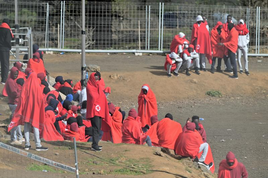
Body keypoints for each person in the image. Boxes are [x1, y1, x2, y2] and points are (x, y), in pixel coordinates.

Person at [8, 72, 48, 151]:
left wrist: (21, 108)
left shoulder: (25, 86)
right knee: (35, 125)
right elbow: (41, 99)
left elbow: (22, 98)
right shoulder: (37, 86)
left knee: (26, 126)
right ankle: (38, 145)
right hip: (35, 110)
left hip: (26, 110)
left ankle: (27, 144)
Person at [86, 72, 109, 152]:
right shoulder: (89, 86)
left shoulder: (98, 85)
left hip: (99, 110)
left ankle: (96, 143)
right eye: (95, 78)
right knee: (95, 128)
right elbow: (94, 97)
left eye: (97, 78)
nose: (96, 80)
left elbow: (102, 93)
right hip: (93, 110)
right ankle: (94, 145)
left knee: (98, 127)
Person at [5, 67, 24, 145]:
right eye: (15, 74)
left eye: (17, 74)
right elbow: (14, 93)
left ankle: (19, 137)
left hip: (15, 102)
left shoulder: (12, 81)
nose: (16, 75)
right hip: (14, 103)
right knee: (14, 121)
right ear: (12, 73)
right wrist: (19, 93)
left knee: (17, 121)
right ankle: (13, 138)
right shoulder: (10, 82)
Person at [0, 18, 13, 84]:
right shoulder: (7, 30)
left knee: (1, 64)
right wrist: (9, 47)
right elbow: (8, 41)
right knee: (5, 64)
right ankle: (4, 80)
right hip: (5, 49)